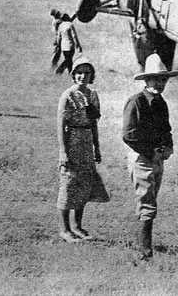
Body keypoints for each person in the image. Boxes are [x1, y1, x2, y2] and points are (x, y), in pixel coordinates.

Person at [122, 53, 178, 261]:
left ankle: (142, 243)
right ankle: (145, 253)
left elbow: (166, 129)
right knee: (148, 205)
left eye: (163, 79)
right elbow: (128, 135)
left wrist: (168, 147)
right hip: (142, 158)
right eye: (155, 78)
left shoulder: (161, 102)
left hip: (158, 159)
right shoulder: (136, 102)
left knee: (150, 200)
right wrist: (150, 152)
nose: (159, 83)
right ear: (146, 80)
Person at [57, 57, 109, 243]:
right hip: (72, 142)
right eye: (79, 72)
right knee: (69, 184)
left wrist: (97, 147)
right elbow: (60, 125)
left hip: (87, 143)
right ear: (73, 75)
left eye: (87, 73)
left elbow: (93, 123)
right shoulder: (68, 96)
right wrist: (63, 152)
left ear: (92, 75)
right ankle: (65, 229)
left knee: (85, 184)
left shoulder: (93, 95)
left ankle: (78, 226)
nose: (83, 76)